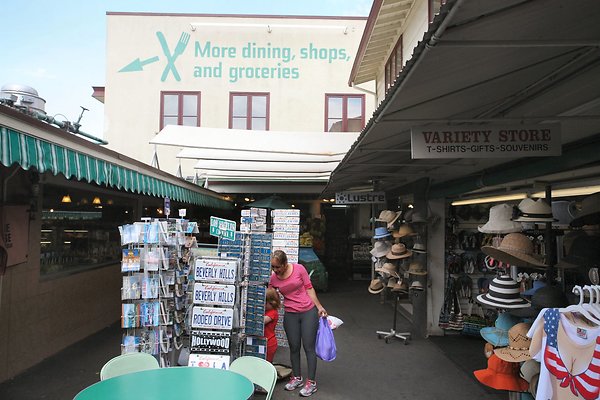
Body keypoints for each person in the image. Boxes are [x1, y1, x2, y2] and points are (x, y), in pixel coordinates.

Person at [269, 249, 327, 397]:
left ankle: (311, 383)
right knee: (294, 347)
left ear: (285, 263)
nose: (275, 270)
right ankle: (297, 378)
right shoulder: (274, 278)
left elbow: (309, 289)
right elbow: (271, 296)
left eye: (278, 267)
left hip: (307, 312)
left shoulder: (299, 269)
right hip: (290, 314)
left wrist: (319, 307)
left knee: (308, 347)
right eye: (273, 267)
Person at [264, 287, 280, 363]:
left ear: (272, 302)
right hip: (264, 341)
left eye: (265, 302)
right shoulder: (266, 311)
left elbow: (263, 321)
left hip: (269, 343)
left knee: (267, 363)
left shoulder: (273, 312)